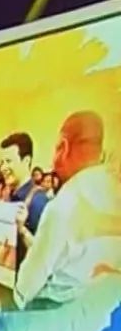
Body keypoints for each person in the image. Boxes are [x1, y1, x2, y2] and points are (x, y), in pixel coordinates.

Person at [15, 111, 121, 309]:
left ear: (63, 148)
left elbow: (27, 286)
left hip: (59, 310)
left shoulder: (63, 205)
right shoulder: (113, 188)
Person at [0, 132, 50, 237]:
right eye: (2, 163)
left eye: (8, 161)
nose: (2, 168)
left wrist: (22, 230)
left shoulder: (39, 201)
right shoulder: (9, 198)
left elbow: (44, 245)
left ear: (26, 161)